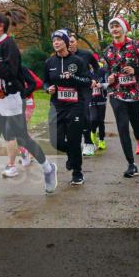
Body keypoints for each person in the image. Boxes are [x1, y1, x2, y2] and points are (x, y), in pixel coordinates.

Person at [0, 12, 56, 200]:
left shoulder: (9, 44)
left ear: (1, 27)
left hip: (11, 101)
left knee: (22, 139)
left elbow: (12, 71)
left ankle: (48, 168)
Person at [100, 17, 139, 178]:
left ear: (124, 29)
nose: (115, 29)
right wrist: (110, 77)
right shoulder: (108, 50)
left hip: (136, 93)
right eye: (112, 27)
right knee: (123, 128)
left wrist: (136, 70)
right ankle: (131, 164)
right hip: (117, 93)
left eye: (118, 26)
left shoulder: (138, 46)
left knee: (137, 127)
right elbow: (109, 70)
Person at [44, 30, 92, 185]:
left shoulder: (77, 61)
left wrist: (73, 78)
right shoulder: (49, 63)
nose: (56, 43)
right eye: (54, 41)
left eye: (59, 40)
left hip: (75, 105)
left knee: (74, 138)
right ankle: (72, 155)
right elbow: (45, 82)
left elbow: (87, 81)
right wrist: (48, 88)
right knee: (55, 141)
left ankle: (77, 172)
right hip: (57, 105)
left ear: (65, 42)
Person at [2, 65, 42, 177]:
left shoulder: (23, 69)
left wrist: (24, 90)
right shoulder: (2, 70)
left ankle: (24, 156)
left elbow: (38, 83)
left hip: (27, 104)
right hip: (11, 106)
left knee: (15, 131)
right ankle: (29, 154)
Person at [68, 32, 101, 157]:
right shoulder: (62, 56)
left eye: (72, 41)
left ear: (76, 42)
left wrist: (95, 79)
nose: (70, 44)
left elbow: (97, 67)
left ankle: (88, 142)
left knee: (84, 114)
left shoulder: (86, 54)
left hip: (85, 88)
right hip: (69, 90)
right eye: (68, 42)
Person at [88, 56, 108, 152]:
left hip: (101, 99)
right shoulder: (86, 72)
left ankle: (101, 140)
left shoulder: (102, 71)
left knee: (101, 121)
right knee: (93, 119)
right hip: (91, 100)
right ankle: (92, 132)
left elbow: (109, 83)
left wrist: (102, 85)